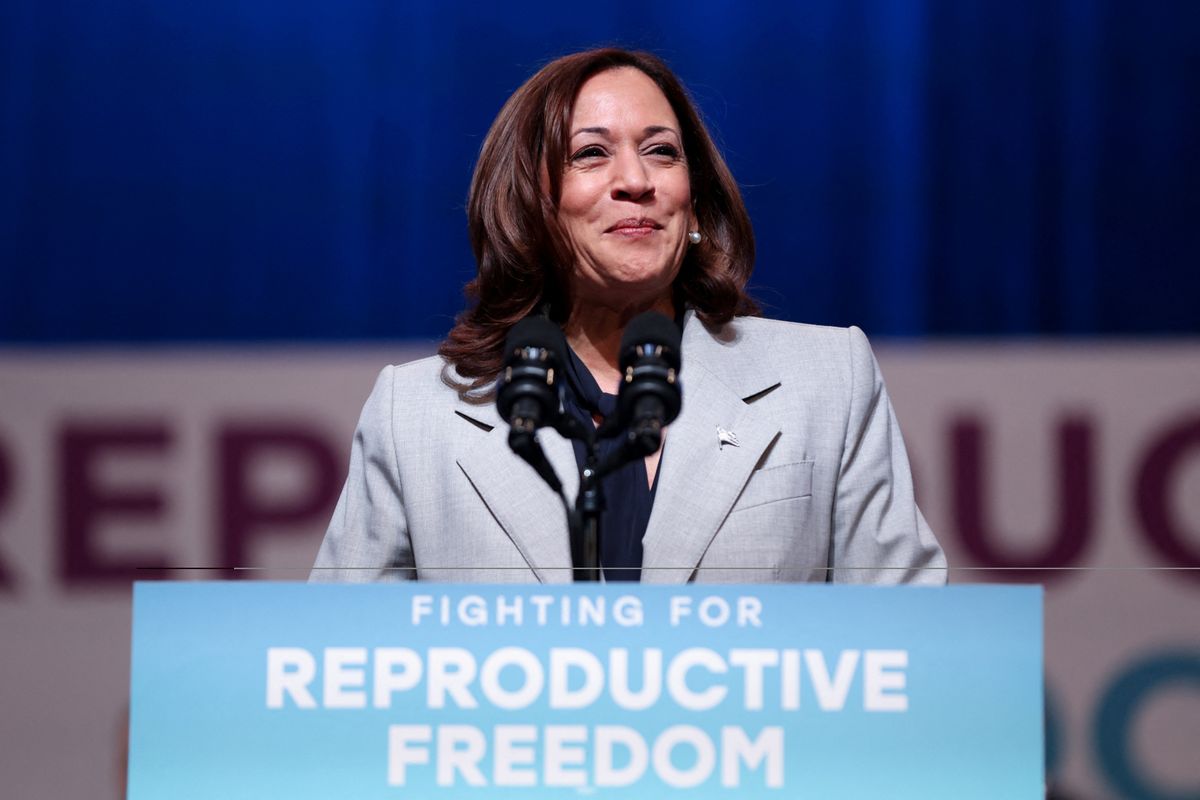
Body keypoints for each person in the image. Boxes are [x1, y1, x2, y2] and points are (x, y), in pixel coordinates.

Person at [311, 48, 945, 584]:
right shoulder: (415, 415)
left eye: (662, 152)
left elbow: (909, 643)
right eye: (591, 154)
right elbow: (339, 666)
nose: (636, 180)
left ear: (694, 206)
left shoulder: (826, 380)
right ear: (530, 205)